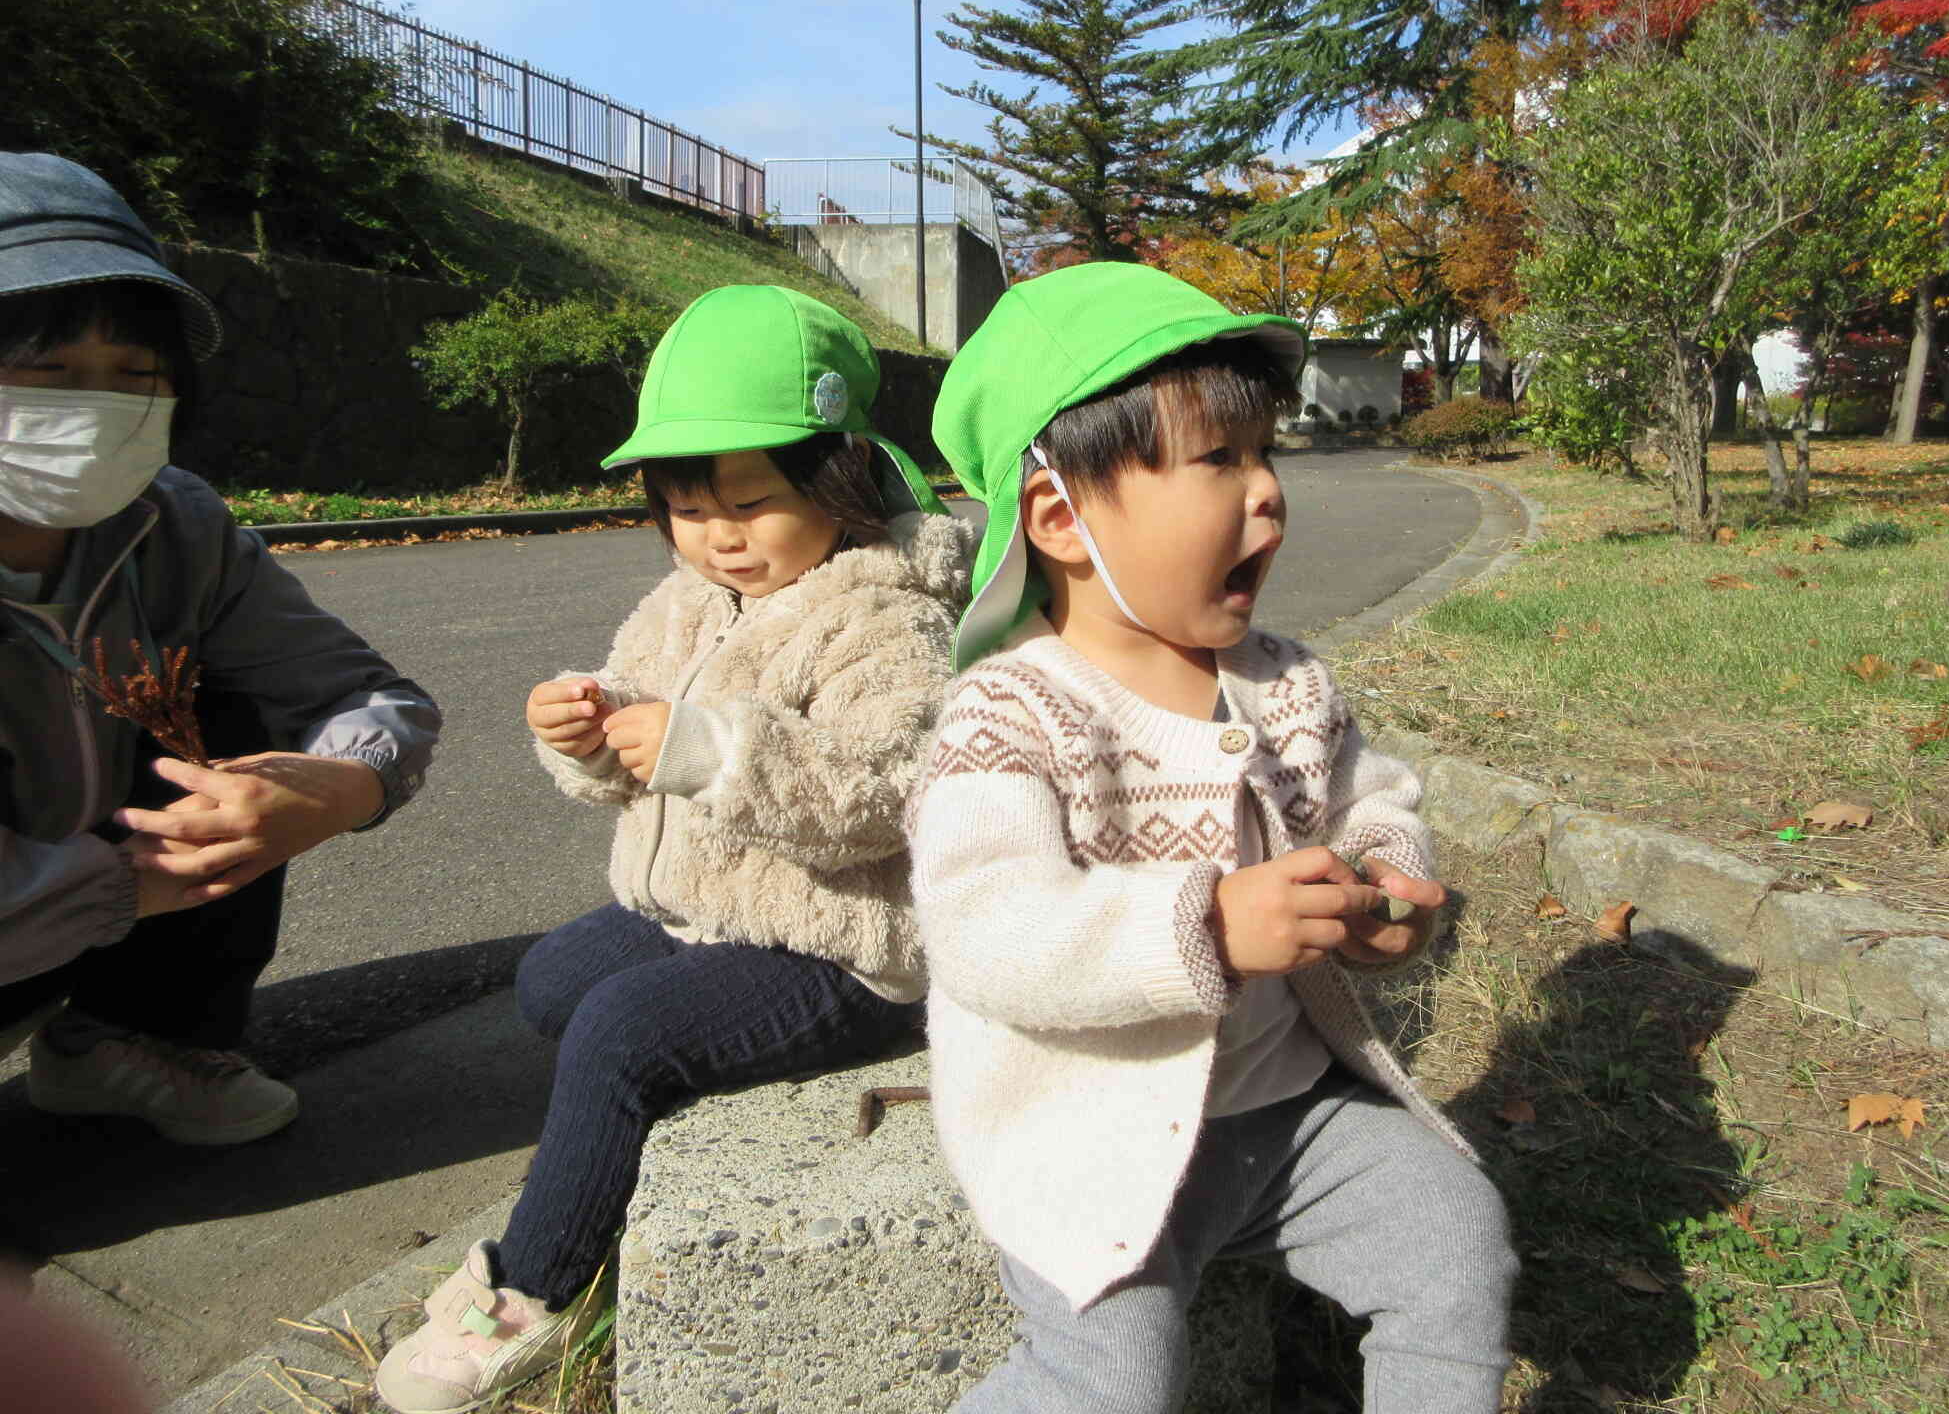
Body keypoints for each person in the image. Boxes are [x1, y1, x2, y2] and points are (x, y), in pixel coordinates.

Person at [909, 263, 1519, 1413]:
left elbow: (1371, 800)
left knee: (1453, 1231)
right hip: (1088, 1140)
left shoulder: (1284, 683)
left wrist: (1387, 886)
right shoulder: (1011, 716)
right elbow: (983, 929)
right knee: (1110, 1383)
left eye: (1265, 455)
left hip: (1287, 1118)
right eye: (1217, 461)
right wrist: (1202, 927)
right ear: (1061, 517)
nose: (1268, 493)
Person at [374, 285, 974, 1413]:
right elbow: (630, 749)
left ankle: (535, 1293)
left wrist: (705, 749)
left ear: (840, 479)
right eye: (686, 511)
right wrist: (590, 735)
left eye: (750, 503)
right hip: (703, 905)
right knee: (551, 977)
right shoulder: (686, 600)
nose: (719, 538)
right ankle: (615, 1129)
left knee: (618, 1031)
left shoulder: (886, 615)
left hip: (837, 944)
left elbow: (886, 792)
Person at [0, 152, 441, 1145]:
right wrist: (139, 883)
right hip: (84, 901)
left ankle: (123, 1039)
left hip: (87, 909)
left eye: (132, 375)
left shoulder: (173, 530)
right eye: (53, 373)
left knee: (240, 717)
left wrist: (335, 787)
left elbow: (368, 695)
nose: (98, 407)